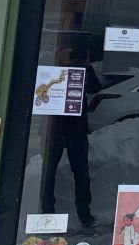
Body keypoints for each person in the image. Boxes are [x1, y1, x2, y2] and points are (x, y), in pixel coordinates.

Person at [39, 45, 97, 226]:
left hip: (77, 130)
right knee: (48, 172)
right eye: (67, 55)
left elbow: (95, 87)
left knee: (81, 174)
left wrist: (87, 66)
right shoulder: (51, 70)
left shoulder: (82, 71)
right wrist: (58, 64)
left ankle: (84, 213)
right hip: (52, 129)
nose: (72, 58)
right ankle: (47, 210)